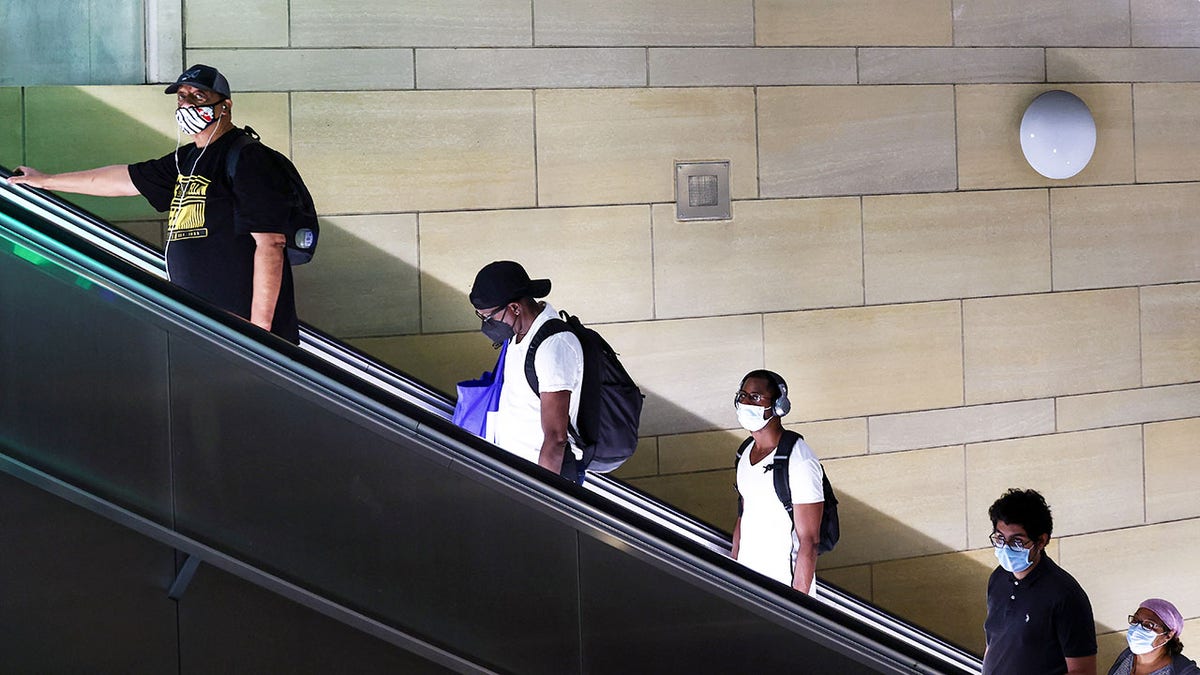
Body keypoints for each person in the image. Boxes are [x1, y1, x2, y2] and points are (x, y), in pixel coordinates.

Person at [6, 64, 300, 344]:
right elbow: (122, 179)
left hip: (243, 330)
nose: (187, 105)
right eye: (182, 96)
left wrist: (260, 332)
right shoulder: (185, 159)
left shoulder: (247, 157)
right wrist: (46, 181)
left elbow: (270, 243)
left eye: (199, 96)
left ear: (226, 105)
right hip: (203, 324)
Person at [468, 260, 584, 483]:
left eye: (489, 317)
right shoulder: (518, 335)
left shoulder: (553, 345)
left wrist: (541, 496)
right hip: (518, 472)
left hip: (543, 478)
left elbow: (556, 437)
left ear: (514, 308)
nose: (486, 325)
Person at [984, 488, 1097, 675]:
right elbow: (994, 642)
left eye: (1017, 542)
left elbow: (1083, 671)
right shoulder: (998, 577)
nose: (1005, 548)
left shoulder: (1065, 595)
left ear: (1041, 541)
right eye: (1000, 538)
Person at [730, 369, 823, 595]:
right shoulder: (744, 453)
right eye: (742, 395)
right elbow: (744, 516)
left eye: (755, 396)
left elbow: (809, 541)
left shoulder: (799, 458)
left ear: (779, 406)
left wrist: (797, 605)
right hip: (747, 582)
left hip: (783, 588)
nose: (745, 402)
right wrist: (731, 568)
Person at [1107, 598, 1199, 675]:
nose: (1137, 628)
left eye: (1149, 625)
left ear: (1168, 635)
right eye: (1135, 620)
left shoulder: (1184, 672)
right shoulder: (1128, 656)